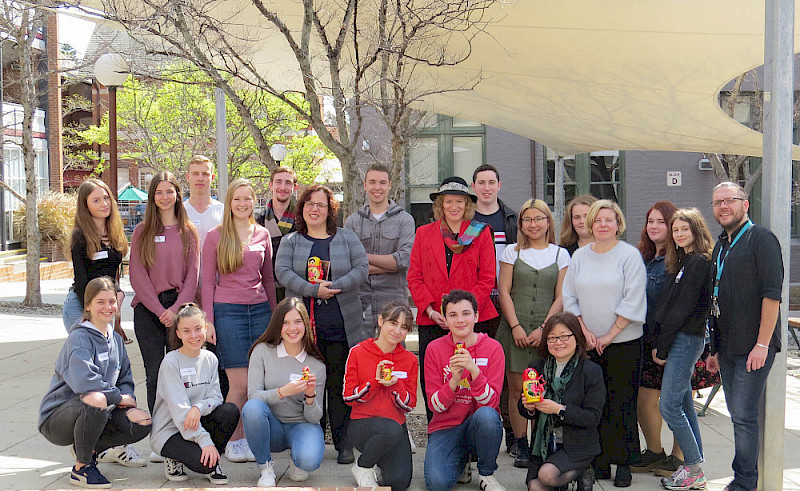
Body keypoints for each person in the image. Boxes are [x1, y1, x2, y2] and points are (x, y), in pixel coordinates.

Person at [275, 184, 369, 464]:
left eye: (321, 205)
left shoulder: (347, 238)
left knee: (339, 386)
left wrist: (335, 287)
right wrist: (312, 290)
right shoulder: (291, 241)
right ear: (302, 209)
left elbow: (362, 269)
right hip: (304, 330)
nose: (315, 209)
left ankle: (344, 443)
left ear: (330, 211)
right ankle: (311, 440)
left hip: (342, 326)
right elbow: (282, 272)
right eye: (309, 204)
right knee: (308, 385)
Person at [562, 199, 646, 487]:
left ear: (618, 224)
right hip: (587, 344)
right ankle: (598, 461)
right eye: (597, 220)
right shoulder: (580, 256)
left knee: (622, 403)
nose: (602, 225)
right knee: (594, 405)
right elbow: (569, 296)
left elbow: (634, 297)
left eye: (608, 220)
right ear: (590, 224)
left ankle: (623, 462)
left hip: (623, 342)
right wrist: (584, 331)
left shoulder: (629, 255)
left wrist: (610, 335)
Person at [705, 182, 783, 491]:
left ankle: (745, 482)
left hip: (754, 347)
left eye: (729, 201)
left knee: (744, 416)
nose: (723, 206)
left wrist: (762, 344)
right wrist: (713, 349)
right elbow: (716, 297)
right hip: (726, 346)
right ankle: (744, 477)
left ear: (745, 204)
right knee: (737, 413)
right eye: (717, 202)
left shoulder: (761, 239)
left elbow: (772, 296)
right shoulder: (722, 244)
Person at [39, 277, 152, 489]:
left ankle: (87, 448)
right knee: (96, 397)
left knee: (142, 421)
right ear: (88, 305)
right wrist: (119, 397)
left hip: (97, 410)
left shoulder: (116, 340)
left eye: (112, 301)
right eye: (100, 302)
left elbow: (125, 378)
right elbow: (85, 383)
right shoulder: (79, 338)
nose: (107, 307)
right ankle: (82, 468)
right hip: (57, 418)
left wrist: (128, 399)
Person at [62, 179, 145, 468]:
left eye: (106, 198)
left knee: (111, 376)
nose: (104, 204)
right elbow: (84, 283)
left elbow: (114, 276)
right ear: (85, 205)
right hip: (83, 308)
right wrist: (103, 310)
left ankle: (113, 444)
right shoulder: (80, 237)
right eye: (97, 200)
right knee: (89, 380)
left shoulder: (115, 234)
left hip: (108, 306)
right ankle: (82, 445)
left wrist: (116, 307)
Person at [407, 176, 498, 421]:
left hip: (472, 322)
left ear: (467, 205)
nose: (454, 206)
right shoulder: (424, 233)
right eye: (449, 201)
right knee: (434, 379)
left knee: (472, 379)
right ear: (440, 205)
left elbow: (487, 278)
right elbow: (415, 277)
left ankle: (473, 435)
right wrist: (430, 310)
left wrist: (464, 315)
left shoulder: (481, 233)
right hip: (433, 319)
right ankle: (437, 429)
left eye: (459, 201)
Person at [201, 178, 278, 463]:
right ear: (229, 202)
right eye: (237, 199)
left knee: (256, 381)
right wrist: (208, 320)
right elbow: (207, 280)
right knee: (240, 384)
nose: (243, 204)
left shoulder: (263, 234)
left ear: (254, 201)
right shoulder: (215, 235)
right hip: (227, 312)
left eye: (248, 199)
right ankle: (232, 439)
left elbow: (269, 280)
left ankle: (247, 437)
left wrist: (273, 318)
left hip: (259, 312)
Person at [495, 199, 569, 468]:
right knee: (517, 389)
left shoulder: (561, 255)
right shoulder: (510, 253)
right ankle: (521, 443)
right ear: (521, 224)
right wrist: (515, 326)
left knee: (544, 387)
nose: (533, 224)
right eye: (527, 219)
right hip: (514, 328)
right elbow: (504, 291)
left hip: (548, 332)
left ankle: (542, 441)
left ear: (548, 221)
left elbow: (561, 296)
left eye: (539, 219)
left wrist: (543, 330)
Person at [649, 208, 714, 490]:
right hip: (680, 339)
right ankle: (694, 465)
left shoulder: (699, 262)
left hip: (686, 340)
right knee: (684, 403)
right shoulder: (685, 262)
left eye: (684, 229)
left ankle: (694, 469)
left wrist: (662, 347)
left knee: (669, 405)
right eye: (675, 230)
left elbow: (683, 309)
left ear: (697, 231)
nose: (679, 234)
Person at [130, 172, 200, 415]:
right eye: (159, 192)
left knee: (178, 374)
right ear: (152, 197)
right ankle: (158, 431)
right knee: (153, 375)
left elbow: (193, 276)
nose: (164, 197)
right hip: (148, 311)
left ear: (178, 195)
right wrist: (160, 311)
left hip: (179, 310)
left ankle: (178, 426)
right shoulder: (142, 231)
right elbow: (137, 276)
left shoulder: (188, 231)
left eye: (169, 191)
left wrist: (175, 311)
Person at [423, 289, 506, 491]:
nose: (460, 320)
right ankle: (461, 461)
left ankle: (486, 473)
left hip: (478, 423)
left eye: (466, 314)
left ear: (476, 316)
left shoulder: (494, 348)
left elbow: (491, 403)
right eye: (453, 315)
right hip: (446, 426)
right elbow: (435, 406)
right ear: (445, 319)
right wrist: (454, 379)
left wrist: (474, 371)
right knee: (437, 484)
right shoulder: (434, 348)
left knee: (487, 416)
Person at [150, 303, 238, 485]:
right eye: (187, 331)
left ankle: (213, 459)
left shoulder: (210, 359)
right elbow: (180, 412)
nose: (194, 336)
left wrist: (198, 407)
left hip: (195, 422)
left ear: (205, 328)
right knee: (203, 465)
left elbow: (216, 397)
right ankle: (175, 457)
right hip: (170, 431)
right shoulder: (170, 363)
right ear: (178, 334)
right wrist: (205, 440)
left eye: (198, 329)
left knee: (229, 411)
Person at [242, 297, 326, 487]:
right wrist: (281, 392)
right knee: (252, 408)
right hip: (272, 426)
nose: (292, 328)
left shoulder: (317, 365)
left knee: (309, 461)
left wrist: (310, 396)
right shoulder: (261, 351)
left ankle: (297, 460)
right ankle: (265, 467)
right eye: (286, 323)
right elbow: (253, 396)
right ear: (277, 326)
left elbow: (315, 418)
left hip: (303, 425)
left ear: (305, 325)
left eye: (297, 322)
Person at [519, 312, 604, 491]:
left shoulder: (591, 371)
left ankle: (583, 470)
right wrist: (529, 408)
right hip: (544, 443)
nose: (558, 342)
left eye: (564, 336)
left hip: (577, 443)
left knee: (547, 476)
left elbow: (593, 417)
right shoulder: (536, 368)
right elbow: (523, 410)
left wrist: (559, 409)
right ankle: (564, 480)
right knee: (535, 487)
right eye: (552, 338)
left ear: (577, 337)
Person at [344, 300, 418, 490]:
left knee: (400, 483)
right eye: (393, 323)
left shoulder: (409, 360)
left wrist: (396, 386)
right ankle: (363, 466)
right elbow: (348, 397)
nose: (397, 331)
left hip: (395, 427)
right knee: (390, 429)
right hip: (363, 425)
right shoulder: (357, 352)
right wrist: (375, 383)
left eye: (403, 327)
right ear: (380, 321)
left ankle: (380, 461)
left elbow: (410, 404)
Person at [471, 164, 518, 454]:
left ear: (499, 185)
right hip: (475, 303)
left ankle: (513, 432)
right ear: (474, 187)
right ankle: (476, 430)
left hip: (505, 302)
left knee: (506, 369)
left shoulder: (510, 218)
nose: (486, 187)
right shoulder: (466, 218)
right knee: (476, 367)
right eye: (481, 182)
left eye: (491, 182)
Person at [631, 201, 681, 476]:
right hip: (646, 340)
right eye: (651, 221)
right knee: (644, 400)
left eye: (660, 222)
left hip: (674, 342)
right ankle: (654, 451)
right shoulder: (642, 256)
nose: (654, 226)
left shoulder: (681, 259)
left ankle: (679, 455)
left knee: (677, 401)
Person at [344, 163, 415, 335]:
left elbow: (403, 260)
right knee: (360, 352)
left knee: (395, 354)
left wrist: (362, 258)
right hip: (360, 300)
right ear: (365, 185)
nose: (377, 187)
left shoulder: (404, 220)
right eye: (373, 182)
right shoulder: (352, 221)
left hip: (394, 300)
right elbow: (347, 263)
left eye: (382, 182)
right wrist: (389, 264)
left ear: (390, 185)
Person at [256, 166, 299, 302]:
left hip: (297, 287)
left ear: (295, 187)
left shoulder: (303, 220)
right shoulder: (258, 221)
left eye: (288, 183)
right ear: (270, 185)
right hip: (265, 289)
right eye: (278, 182)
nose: (283, 187)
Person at [184, 155, 224, 249]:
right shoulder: (178, 211)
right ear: (187, 177)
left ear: (213, 177)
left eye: (205, 174)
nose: (200, 178)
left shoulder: (223, 210)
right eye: (195, 174)